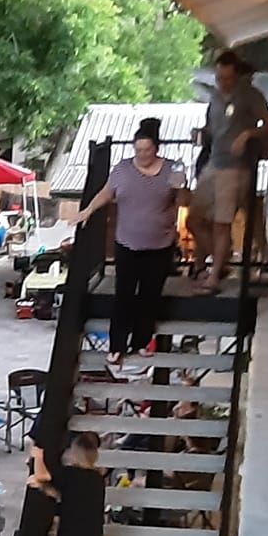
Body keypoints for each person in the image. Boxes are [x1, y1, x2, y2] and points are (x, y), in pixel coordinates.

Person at [78, 117, 186, 366]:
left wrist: (183, 189)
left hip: (160, 243)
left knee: (150, 294)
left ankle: (141, 342)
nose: (142, 154)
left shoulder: (174, 168)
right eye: (138, 150)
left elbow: (182, 199)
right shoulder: (122, 169)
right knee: (124, 294)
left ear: (156, 149)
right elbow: (107, 192)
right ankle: (117, 346)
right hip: (127, 242)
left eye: (147, 150)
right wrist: (88, 211)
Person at [188, 49, 268, 291]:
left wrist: (248, 134)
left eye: (228, 78)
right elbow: (212, 127)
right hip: (213, 163)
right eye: (219, 78)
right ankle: (219, 260)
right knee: (193, 219)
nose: (223, 83)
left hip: (235, 168)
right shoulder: (215, 97)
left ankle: (214, 277)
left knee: (222, 223)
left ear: (237, 76)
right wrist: (201, 132)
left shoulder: (250, 95)